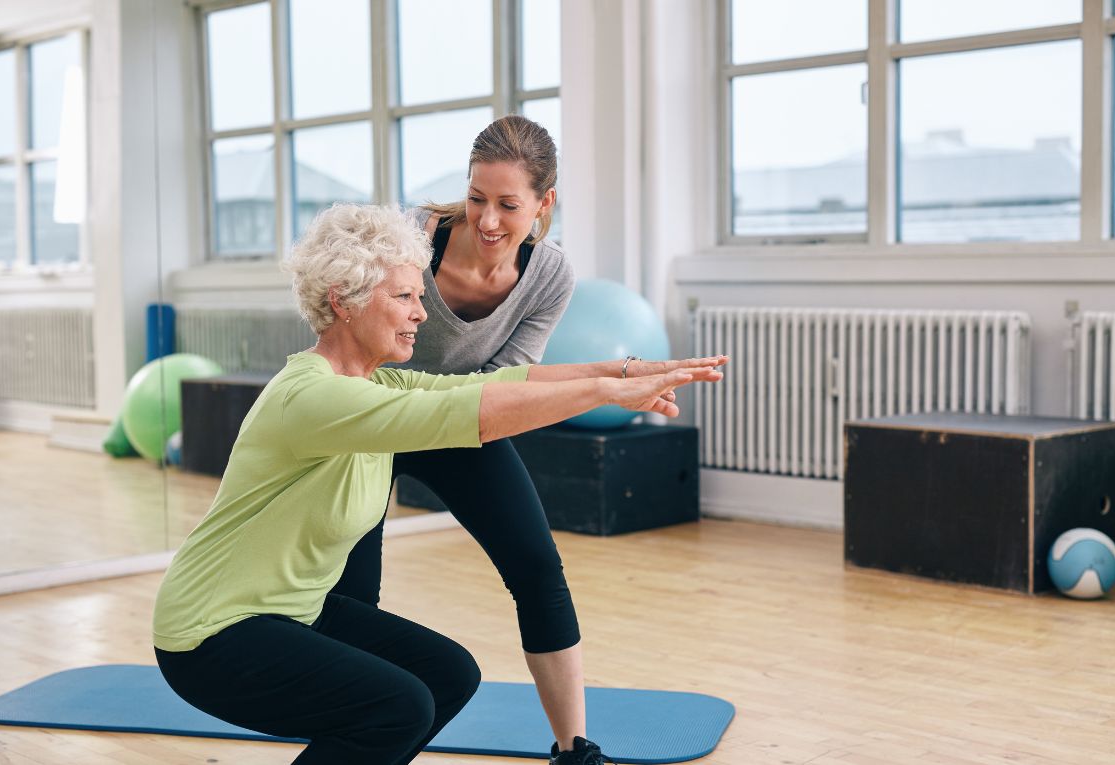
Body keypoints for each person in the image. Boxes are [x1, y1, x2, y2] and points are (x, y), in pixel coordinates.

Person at [152, 203, 726, 765]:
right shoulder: (313, 396)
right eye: (404, 297)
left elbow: (500, 385)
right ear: (343, 301)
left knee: (447, 675)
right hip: (212, 633)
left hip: (292, 612)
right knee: (397, 706)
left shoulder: (382, 384)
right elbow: (473, 416)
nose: (421, 314)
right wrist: (605, 393)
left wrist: (623, 371)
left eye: (419, 297)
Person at [330, 115, 721, 763]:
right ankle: (355, 735)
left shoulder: (548, 276)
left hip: (463, 418)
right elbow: (344, 334)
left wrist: (611, 380)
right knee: (353, 594)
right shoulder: (409, 243)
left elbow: (507, 385)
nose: (487, 220)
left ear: (544, 203)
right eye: (476, 197)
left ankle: (574, 749)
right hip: (375, 417)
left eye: (508, 205)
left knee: (538, 569)